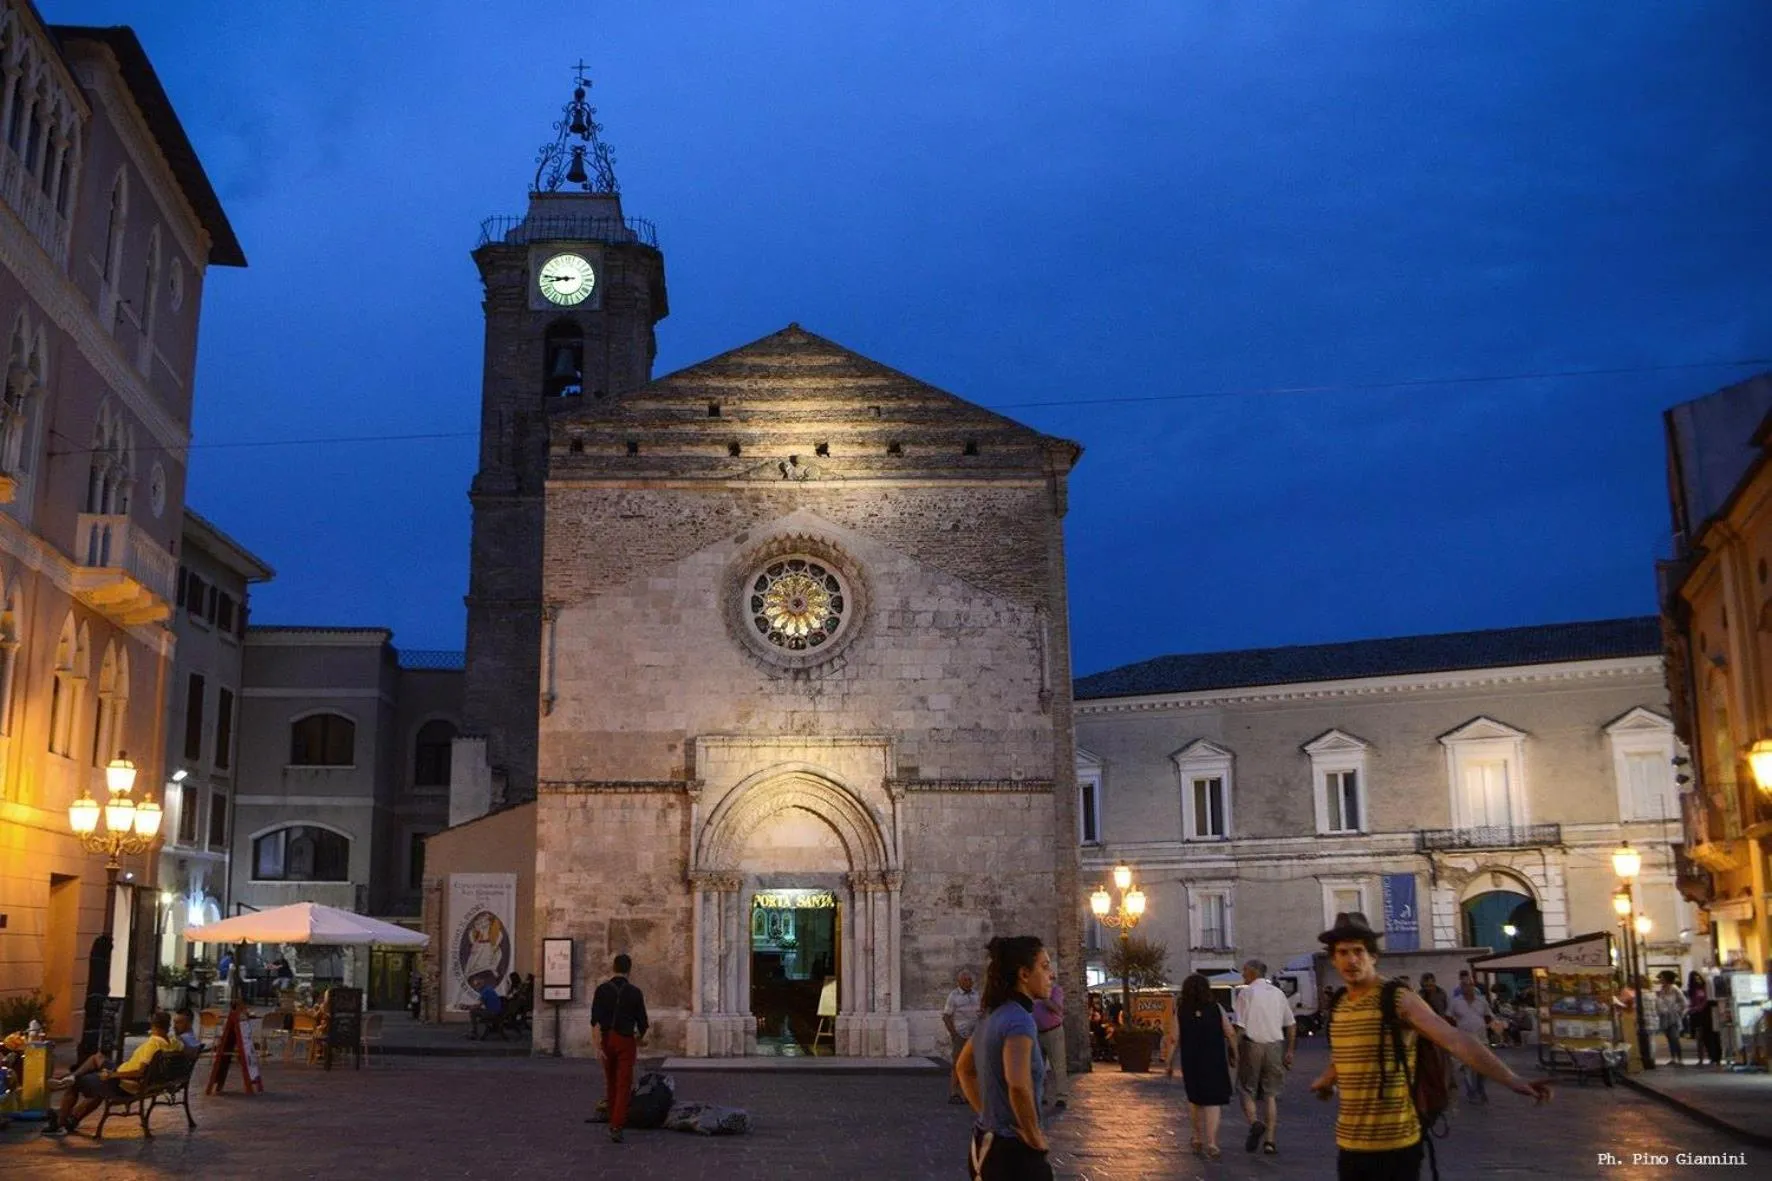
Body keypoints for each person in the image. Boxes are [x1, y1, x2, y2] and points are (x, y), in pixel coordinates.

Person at [1308, 913, 1550, 1179]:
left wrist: (1511, 1079)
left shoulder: (1397, 998)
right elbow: (1348, 1052)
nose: (1351, 960)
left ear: (1373, 956)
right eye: (1343, 952)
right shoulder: (1340, 1003)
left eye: (1359, 951)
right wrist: (1327, 1078)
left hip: (1395, 1145)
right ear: (1333, 959)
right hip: (1349, 1142)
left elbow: (1455, 1039)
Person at [954, 936, 1053, 1181]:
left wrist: (988, 1114)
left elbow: (964, 1069)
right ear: (1024, 974)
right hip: (1013, 1155)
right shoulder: (1019, 1020)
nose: (1051, 975)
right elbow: (1018, 1085)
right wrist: (1033, 1135)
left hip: (983, 1145)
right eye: (1044, 966)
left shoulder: (991, 1015)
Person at [42, 1010, 177, 1137]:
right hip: (130, 1077)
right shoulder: (172, 1043)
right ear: (168, 1025)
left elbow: (139, 1072)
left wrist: (111, 1075)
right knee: (98, 1057)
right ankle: (72, 1110)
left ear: (152, 1024)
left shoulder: (153, 1044)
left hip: (124, 1084)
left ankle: (60, 1122)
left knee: (79, 1083)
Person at [1233, 958, 1295, 1155]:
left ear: (1252, 973)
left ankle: (1254, 1123)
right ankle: (1270, 1141)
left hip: (1252, 1045)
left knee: (1246, 1089)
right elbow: (1291, 1024)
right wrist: (1290, 1050)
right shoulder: (1278, 994)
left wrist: (1233, 1049)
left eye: (1244, 971)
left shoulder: (1246, 993)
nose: (1243, 975)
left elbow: (1240, 1027)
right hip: (1275, 1045)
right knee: (1271, 1094)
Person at [1172, 972, 1237, 1159]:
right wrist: (1235, 1053)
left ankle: (1197, 1136)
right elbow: (1230, 1032)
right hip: (1214, 1059)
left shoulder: (1181, 1010)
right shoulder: (1216, 1008)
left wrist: (1168, 1061)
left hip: (1191, 1060)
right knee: (1213, 1101)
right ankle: (1212, 1143)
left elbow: (1173, 1038)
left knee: (1195, 1100)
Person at [590, 953, 649, 1143]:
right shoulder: (634, 992)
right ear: (629, 970)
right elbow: (643, 1024)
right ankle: (617, 1124)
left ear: (613, 968)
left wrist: (597, 1046)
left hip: (607, 1039)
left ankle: (611, 1118)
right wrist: (639, 1039)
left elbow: (595, 1021)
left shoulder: (601, 990)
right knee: (624, 1084)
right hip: (625, 1039)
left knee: (611, 1082)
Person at [1445, 976, 1496, 1102]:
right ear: (1461, 987)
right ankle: (1471, 1091)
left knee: (1484, 1065)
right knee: (1467, 1066)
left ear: (1474, 986)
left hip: (1481, 1038)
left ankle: (1480, 1086)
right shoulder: (1455, 1002)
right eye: (1464, 985)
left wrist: (1490, 1029)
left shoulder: (1482, 1001)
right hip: (1464, 1039)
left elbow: (1488, 1016)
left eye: (1470, 985)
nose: (1467, 987)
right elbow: (1448, 1018)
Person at [943, 968, 982, 1104]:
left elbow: (981, 1012)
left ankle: (969, 1093)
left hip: (975, 1035)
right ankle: (954, 1092)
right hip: (960, 1034)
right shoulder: (953, 996)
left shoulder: (977, 995)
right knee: (958, 1064)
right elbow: (946, 1016)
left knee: (973, 1065)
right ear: (959, 981)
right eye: (965, 980)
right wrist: (953, 1034)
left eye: (970, 980)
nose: (968, 982)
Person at [1030, 969, 1068, 1110]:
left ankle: (1061, 1097)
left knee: (1058, 1065)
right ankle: (1041, 1095)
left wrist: (1044, 997)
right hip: (1036, 1032)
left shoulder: (1056, 990)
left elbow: (1057, 1009)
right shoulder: (1033, 992)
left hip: (1053, 1031)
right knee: (1038, 1067)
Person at [1655, 972, 1685, 1065]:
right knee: (1669, 1038)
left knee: (1674, 1037)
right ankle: (1673, 1058)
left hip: (1673, 1016)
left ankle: (1679, 1058)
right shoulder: (1662, 989)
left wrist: (1677, 1010)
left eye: (1662, 978)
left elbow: (1683, 1001)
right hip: (1664, 1017)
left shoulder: (1674, 988)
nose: (1660, 980)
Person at [1687, 971, 1715, 1067]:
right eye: (1695, 978)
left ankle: (1712, 1057)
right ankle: (1701, 1059)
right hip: (1696, 1015)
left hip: (1704, 1014)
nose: (1697, 980)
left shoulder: (1704, 988)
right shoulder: (1692, 990)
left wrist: (1698, 1008)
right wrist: (1691, 1009)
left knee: (1707, 1037)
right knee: (1699, 1038)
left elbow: (1706, 1000)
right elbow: (1692, 1002)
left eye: (1698, 977)